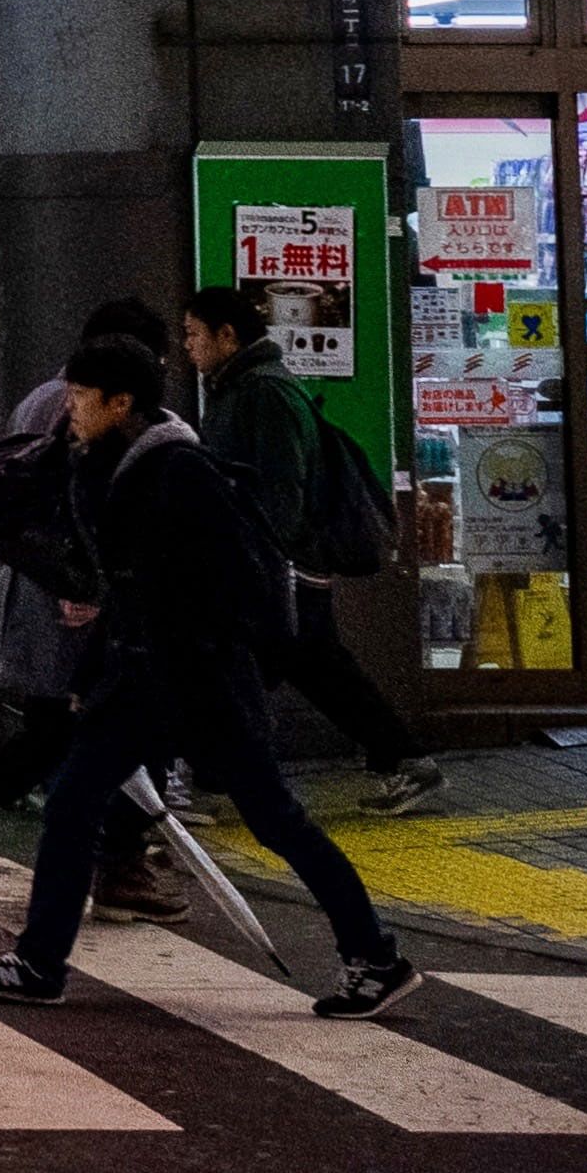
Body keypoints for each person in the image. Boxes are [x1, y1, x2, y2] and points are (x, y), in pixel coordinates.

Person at [0, 330, 419, 1023]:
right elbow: (125, 586)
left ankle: (375, 957)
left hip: (200, 680)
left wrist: (190, 665)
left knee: (274, 819)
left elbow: (234, 586)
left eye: (79, 397)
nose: (67, 409)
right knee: (73, 802)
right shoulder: (109, 463)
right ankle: (38, 963)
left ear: (120, 401)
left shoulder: (179, 474)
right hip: (145, 677)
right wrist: (100, 667)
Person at [0, 309, 181, 922]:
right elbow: (79, 510)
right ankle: (114, 866)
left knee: (56, 729)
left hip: (41, 594)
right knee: (110, 727)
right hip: (73, 604)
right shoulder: (97, 416)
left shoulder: (40, 398)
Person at [179, 283, 443, 810]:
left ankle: (213, 779)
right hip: (279, 566)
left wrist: (253, 556)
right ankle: (404, 760)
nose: (188, 346)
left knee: (254, 667)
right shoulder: (241, 387)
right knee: (311, 670)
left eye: (193, 334)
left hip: (284, 569)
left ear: (225, 336)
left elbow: (281, 490)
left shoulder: (265, 392)